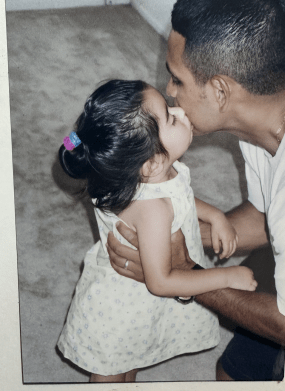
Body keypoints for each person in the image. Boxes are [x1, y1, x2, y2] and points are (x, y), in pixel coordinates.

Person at [106, 0, 285, 381]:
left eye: (177, 79)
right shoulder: (265, 114)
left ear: (219, 92)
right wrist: (164, 228)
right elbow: (264, 220)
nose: (168, 90)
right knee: (228, 377)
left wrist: (183, 271)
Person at [57, 79, 257, 383]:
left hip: (138, 304)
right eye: (170, 117)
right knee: (112, 370)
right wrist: (228, 276)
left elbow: (181, 194)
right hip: (121, 309)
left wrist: (215, 215)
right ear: (150, 164)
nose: (181, 111)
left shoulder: (144, 175)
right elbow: (162, 281)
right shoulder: (152, 209)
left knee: (131, 358)